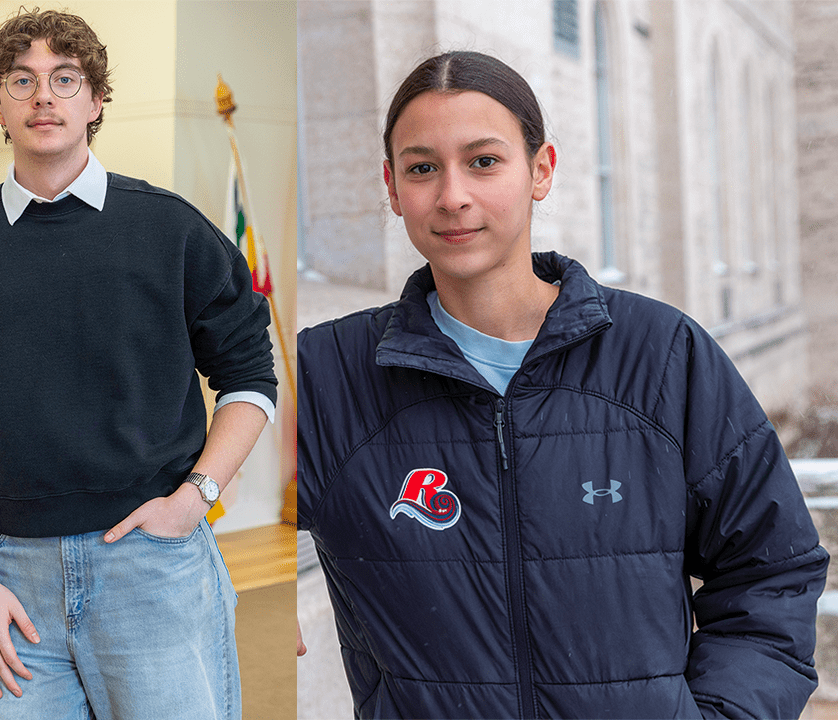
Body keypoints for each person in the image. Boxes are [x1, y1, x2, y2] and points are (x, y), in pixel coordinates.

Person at [296, 50, 828, 719]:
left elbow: (771, 569)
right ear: (393, 186)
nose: (452, 195)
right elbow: (207, 488)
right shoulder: (328, 373)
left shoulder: (660, 355)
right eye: (422, 167)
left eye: (483, 161)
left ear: (540, 170)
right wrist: (242, 586)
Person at [0, 8, 276, 720]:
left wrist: (194, 499)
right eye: (22, 80)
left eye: (64, 78)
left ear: (96, 99)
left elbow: (250, 376)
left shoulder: (169, 228)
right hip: (13, 574)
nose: (43, 97)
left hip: (152, 564)